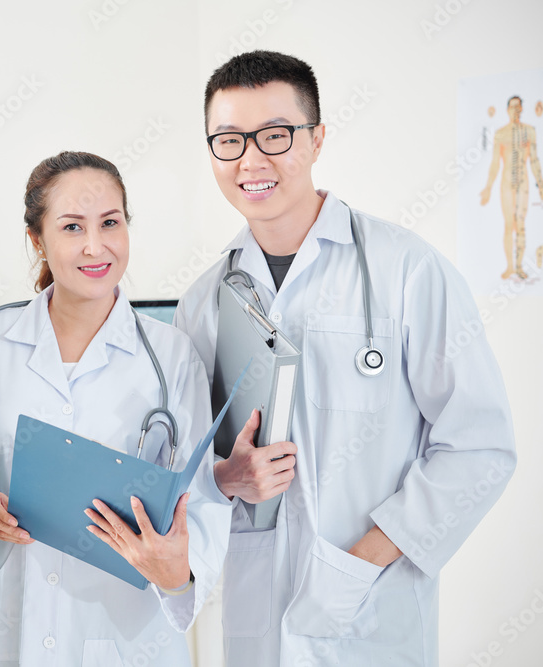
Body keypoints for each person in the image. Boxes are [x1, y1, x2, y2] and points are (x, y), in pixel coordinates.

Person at [174, 51, 517, 666]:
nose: (251, 159)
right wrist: (230, 478)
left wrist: (359, 563)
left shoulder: (407, 270)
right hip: (257, 615)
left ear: (317, 138)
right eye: (229, 140)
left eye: (275, 135)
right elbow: (190, 470)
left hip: (373, 614)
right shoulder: (202, 303)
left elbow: (479, 444)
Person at [0, 151, 233, 666]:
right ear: (37, 239)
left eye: (110, 223)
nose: (95, 246)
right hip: (9, 629)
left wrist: (178, 572)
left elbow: (204, 495)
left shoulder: (171, 355)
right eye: (72, 227)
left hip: (125, 635)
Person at [480, 95, 543, 279]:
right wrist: (488, 187)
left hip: (523, 182)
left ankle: (519, 266)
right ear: (508, 109)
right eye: (512, 107)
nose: (516, 110)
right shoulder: (501, 133)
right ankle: (510, 266)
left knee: (521, 225)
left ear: (522, 109)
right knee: (509, 224)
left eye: (519, 107)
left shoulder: (530, 131)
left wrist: (540, 184)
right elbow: (495, 164)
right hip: (506, 183)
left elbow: (534, 160)